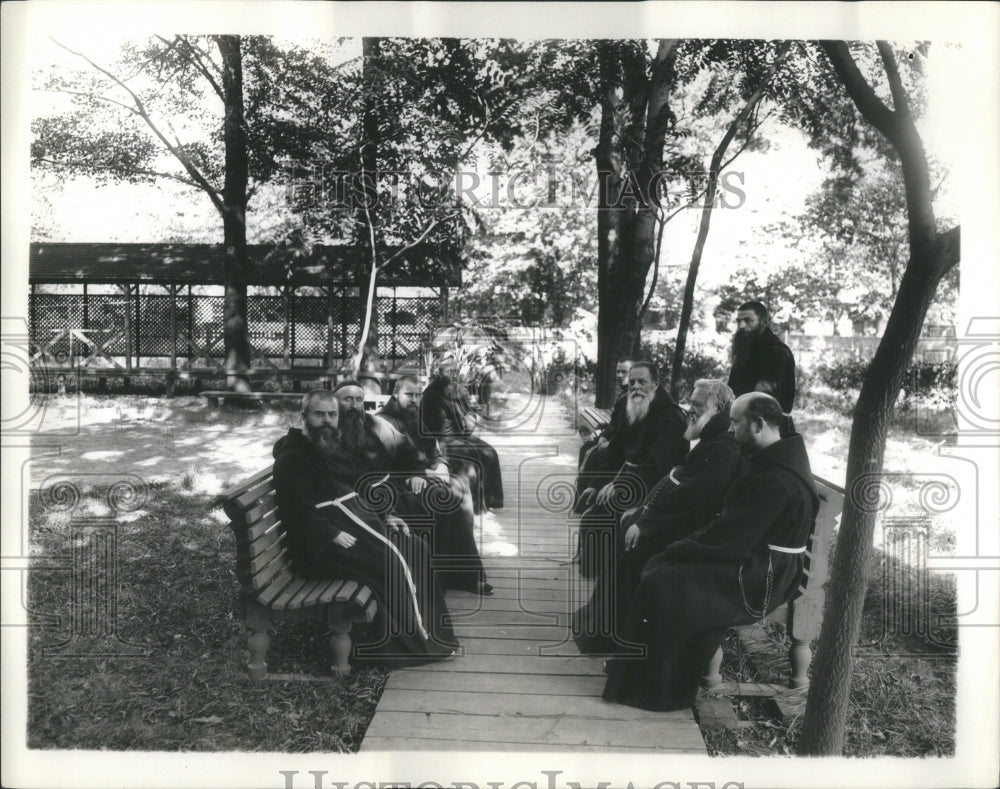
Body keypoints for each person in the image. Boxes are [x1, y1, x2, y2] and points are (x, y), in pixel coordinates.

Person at [602, 392, 819, 711]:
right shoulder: (775, 457)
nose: (730, 431)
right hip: (757, 558)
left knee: (667, 578)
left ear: (757, 425)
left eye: (735, 423)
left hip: (763, 574)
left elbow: (732, 536)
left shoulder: (778, 479)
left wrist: (680, 548)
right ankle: (637, 676)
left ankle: (657, 689)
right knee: (661, 568)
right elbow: (734, 526)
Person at [272, 389, 458, 667]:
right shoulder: (293, 456)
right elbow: (295, 511)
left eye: (331, 415)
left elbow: (358, 484)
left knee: (416, 548)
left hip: (351, 524)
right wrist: (330, 533)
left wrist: (387, 514)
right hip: (318, 548)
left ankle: (432, 634)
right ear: (304, 416)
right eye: (319, 414)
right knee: (391, 561)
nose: (326, 421)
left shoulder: (331, 446)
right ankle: (408, 643)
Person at [572, 379, 742, 653]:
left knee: (633, 549)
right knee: (622, 531)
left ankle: (614, 638)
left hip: (690, 534)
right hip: (678, 522)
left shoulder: (722, 449)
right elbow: (677, 485)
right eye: (691, 404)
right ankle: (605, 631)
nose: (691, 411)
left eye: (697, 405)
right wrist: (641, 513)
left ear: (718, 409)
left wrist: (646, 523)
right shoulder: (713, 439)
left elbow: (692, 502)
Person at [377, 376, 493, 596]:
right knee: (445, 500)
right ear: (395, 394)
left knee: (459, 489)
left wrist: (440, 465)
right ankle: (459, 577)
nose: (414, 400)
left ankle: (462, 575)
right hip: (396, 484)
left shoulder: (414, 418)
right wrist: (415, 473)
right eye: (408, 395)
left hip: (419, 477)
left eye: (417, 395)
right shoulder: (385, 421)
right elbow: (381, 464)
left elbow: (433, 450)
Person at [575, 361, 688, 579]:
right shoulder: (633, 406)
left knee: (607, 510)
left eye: (642, 382)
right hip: (633, 478)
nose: (635, 387)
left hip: (657, 485)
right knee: (594, 507)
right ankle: (599, 572)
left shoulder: (670, 416)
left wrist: (618, 484)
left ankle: (612, 575)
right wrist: (595, 484)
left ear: (656, 383)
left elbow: (659, 466)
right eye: (632, 382)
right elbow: (615, 453)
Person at [420, 356, 504, 513]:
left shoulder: (455, 390)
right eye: (448, 372)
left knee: (490, 452)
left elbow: (468, 419)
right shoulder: (431, 395)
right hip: (441, 443)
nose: (452, 375)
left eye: (455, 372)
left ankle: (491, 500)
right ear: (439, 373)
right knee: (472, 459)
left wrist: (469, 415)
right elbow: (429, 428)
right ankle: (476, 506)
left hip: (459, 437)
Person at [726, 301, 796, 433]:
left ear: (764, 322)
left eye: (748, 321)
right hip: (744, 425)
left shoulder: (776, 352)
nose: (741, 325)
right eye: (739, 321)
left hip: (768, 431)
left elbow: (761, 398)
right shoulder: (746, 349)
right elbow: (731, 391)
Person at [573, 357, 633, 513]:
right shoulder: (622, 396)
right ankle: (582, 499)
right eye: (618, 372)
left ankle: (586, 502)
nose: (620, 375)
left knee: (591, 453)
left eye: (624, 372)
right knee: (587, 448)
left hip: (622, 447)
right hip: (614, 440)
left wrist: (609, 442)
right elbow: (613, 424)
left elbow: (624, 431)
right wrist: (604, 436)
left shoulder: (632, 397)